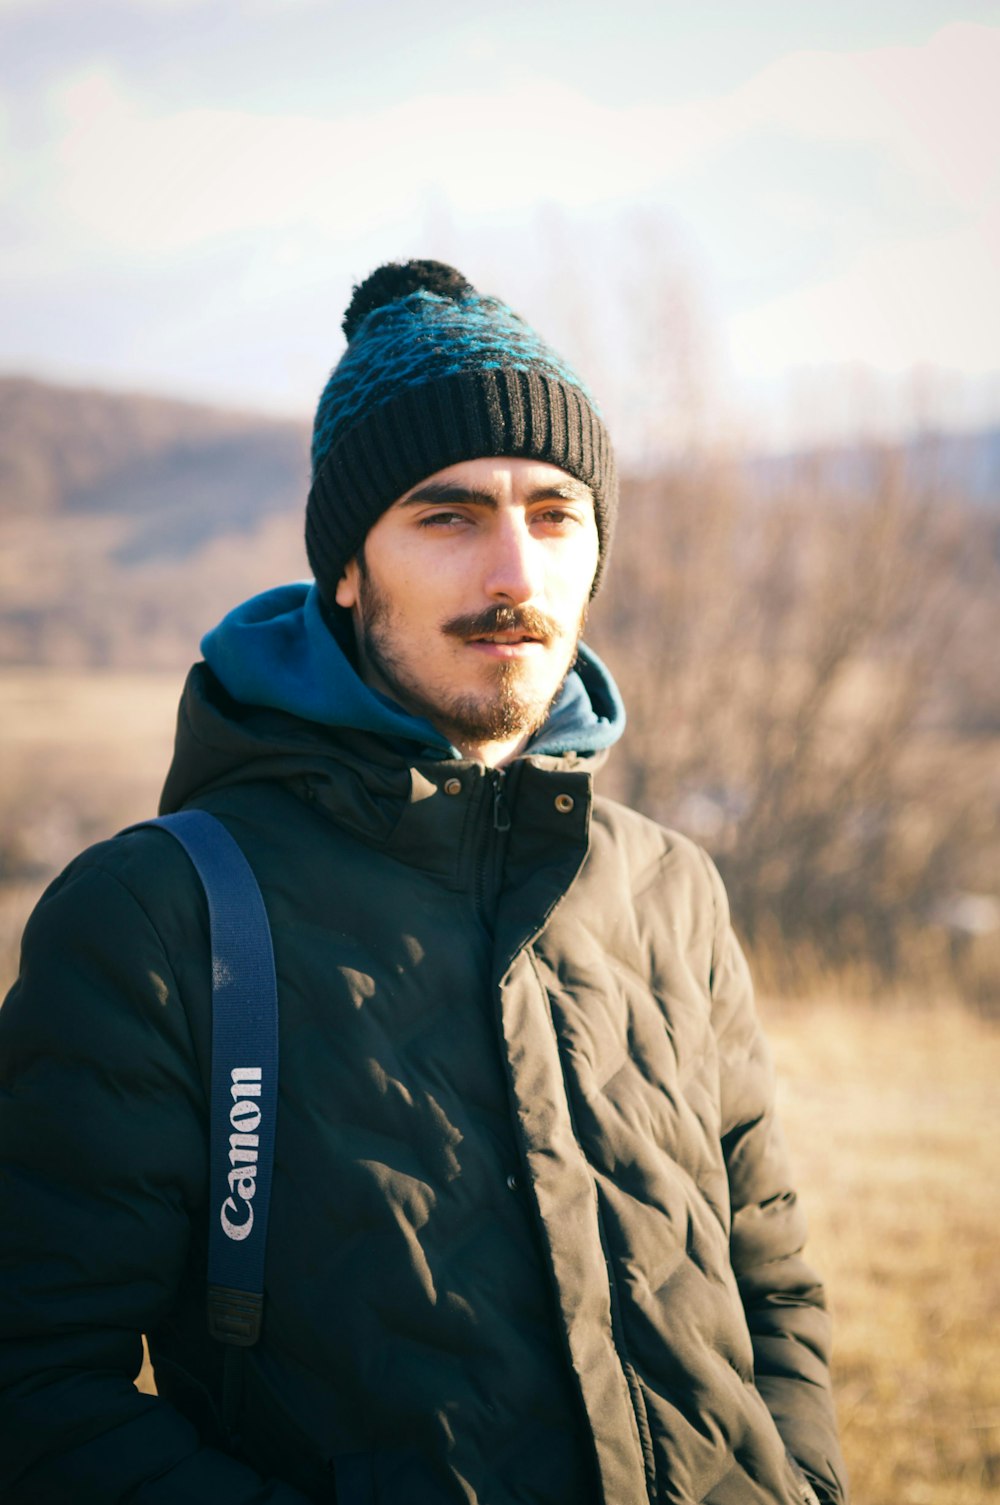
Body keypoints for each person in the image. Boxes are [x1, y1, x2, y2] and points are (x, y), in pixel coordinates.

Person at [0, 260, 848, 1505]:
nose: (513, 569)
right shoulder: (156, 919)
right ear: (346, 569)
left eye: (554, 512)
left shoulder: (669, 889)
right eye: (447, 515)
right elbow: (36, 1393)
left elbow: (771, 1290)